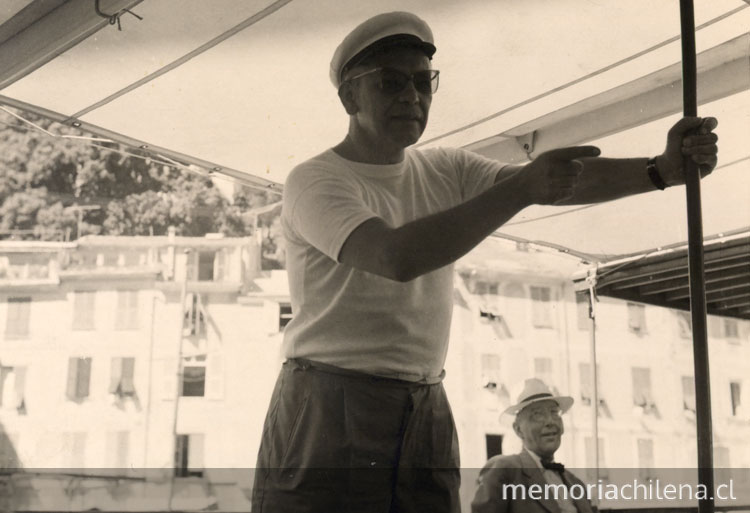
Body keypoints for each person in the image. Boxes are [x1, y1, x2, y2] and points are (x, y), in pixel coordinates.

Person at [250, 10, 718, 513]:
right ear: (348, 96)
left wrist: (660, 170)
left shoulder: (445, 168)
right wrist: (522, 188)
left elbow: (554, 182)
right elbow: (395, 255)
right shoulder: (316, 181)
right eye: (390, 83)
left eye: (422, 82)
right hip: (330, 401)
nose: (411, 96)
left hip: (426, 400)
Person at [471, 379, 592, 513]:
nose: (550, 421)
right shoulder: (504, 470)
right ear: (518, 429)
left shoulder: (576, 483)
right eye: (537, 415)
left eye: (554, 413)